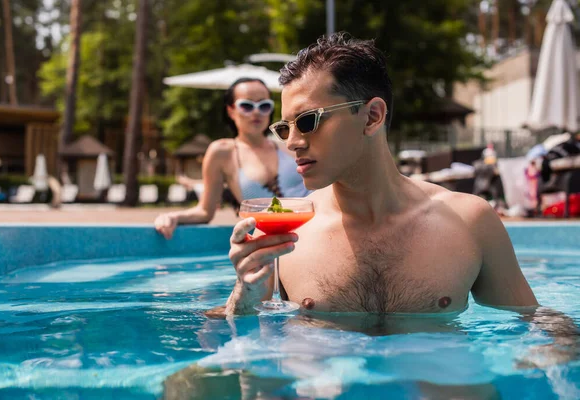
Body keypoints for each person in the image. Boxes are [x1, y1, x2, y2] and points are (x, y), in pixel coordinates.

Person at [224, 32, 540, 316]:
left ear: (373, 116)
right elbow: (240, 342)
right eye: (284, 128)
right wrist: (245, 294)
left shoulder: (470, 221)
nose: (292, 142)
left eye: (307, 121)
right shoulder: (289, 238)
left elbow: (536, 326)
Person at [154, 77, 310, 239]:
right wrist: (173, 217)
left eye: (264, 105)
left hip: (314, 235)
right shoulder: (222, 152)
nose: (256, 112)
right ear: (231, 111)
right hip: (270, 245)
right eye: (247, 106)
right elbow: (205, 211)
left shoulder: (290, 145)